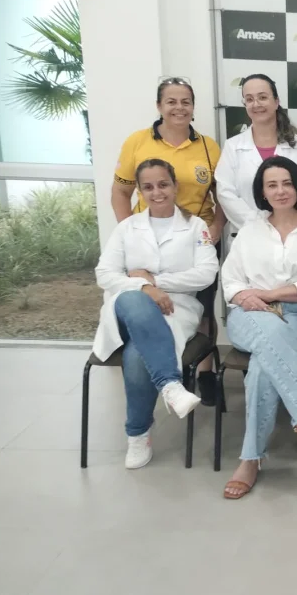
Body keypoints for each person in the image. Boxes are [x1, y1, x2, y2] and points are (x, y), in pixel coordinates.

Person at [93, 158, 219, 469]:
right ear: (138, 191)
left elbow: (206, 273)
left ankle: (137, 435)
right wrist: (144, 288)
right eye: (147, 187)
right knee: (135, 301)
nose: (156, 192)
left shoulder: (195, 227)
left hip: (177, 307)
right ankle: (171, 385)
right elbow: (104, 273)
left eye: (163, 184)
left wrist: (156, 282)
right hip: (127, 308)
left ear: (175, 187)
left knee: (139, 352)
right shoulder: (127, 228)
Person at [220, 156, 297, 499]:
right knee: (268, 336)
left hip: (296, 317)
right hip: (247, 314)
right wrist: (247, 297)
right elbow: (230, 281)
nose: (280, 190)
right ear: (262, 192)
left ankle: (250, 459)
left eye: (287, 182)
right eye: (272, 185)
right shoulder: (251, 229)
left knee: (261, 368)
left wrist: (269, 294)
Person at [111, 77, 224, 401]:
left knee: (202, 310)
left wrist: (215, 229)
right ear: (159, 106)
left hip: (196, 239)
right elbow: (120, 191)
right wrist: (129, 232)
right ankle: (167, 366)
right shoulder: (137, 142)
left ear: (193, 107)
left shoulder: (207, 146)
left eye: (185, 101)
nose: (179, 108)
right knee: (151, 300)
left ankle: (204, 373)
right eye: (171, 101)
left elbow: (223, 196)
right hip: (151, 238)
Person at [215, 73, 297, 233]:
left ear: (276, 102)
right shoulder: (232, 146)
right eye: (249, 99)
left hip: (292, 234)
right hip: (246, 235)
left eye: (262, 97)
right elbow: (225, 194)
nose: (256, 104)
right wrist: (259, 225)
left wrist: (288, 224)